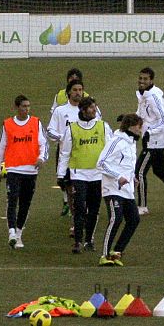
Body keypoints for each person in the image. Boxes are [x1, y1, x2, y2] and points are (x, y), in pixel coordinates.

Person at [0, 94, 46, 249]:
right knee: (12, 200)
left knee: (25, 203)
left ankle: (18, 234)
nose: (26, 109)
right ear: (17, 107)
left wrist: (41, 158)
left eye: (28, 106)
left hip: (31, 170)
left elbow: (44, 144)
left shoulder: (36, 122)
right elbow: (1, 148)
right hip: (14, 169)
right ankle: (11, 232)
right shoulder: (8, 124)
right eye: (24, 106)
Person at [59, 95, 106, 253]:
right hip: (78, 174)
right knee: (79, 208)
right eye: (91, 107)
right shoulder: (72, 128)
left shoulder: (103, 127)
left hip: (97, 175)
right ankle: (78, 241)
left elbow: (110, 149)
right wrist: (61, 175)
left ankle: (89, 240)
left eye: (94, 107)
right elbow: (65, 153)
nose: (94, 110)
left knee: (94, 209)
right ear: (83, 110)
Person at [97, 113, 143, 266]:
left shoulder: (130, 143)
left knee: (134, 219)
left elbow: (125, 164)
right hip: (112, 189)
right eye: (139, 127)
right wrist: (118, 177)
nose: (141, 130)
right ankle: (104, 255)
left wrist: (132, 177)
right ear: (130, 127)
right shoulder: (116, 141)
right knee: (115, 218)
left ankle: (116, 251)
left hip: (126, 190)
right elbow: (101, 163)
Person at [134, 68, 164, 219]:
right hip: (151, 140)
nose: (142, 81)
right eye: (140, 78)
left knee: (139, 172)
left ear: (151, 80)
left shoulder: (154, 97)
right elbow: (142, 114)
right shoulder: (143, 95)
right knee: (160, 171)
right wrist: (130, 118)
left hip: (154, 141)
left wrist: (149, 132)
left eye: (145, 79)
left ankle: (143, 206)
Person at [46, 79, 86, 217]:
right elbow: (50, 131)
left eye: (80, 90)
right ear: (69, 92)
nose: (78, 93)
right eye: (75, 90)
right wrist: (64, 137)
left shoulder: (88, 109)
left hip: (85, 155)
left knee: (84, 188)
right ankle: (75, 218)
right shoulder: (60, 111)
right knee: (70, 188)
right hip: (66, 155)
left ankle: (83, 214)